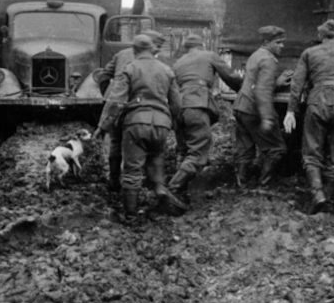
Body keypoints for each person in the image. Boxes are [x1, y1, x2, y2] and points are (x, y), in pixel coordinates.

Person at [93, 35, 185, 220]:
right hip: (161, 123)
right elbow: (177, 104)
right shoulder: (166, 70)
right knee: (155, 159)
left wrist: (103, 127)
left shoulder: (130, 69)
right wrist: (175, 123)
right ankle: (160, 188)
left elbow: (116, 102)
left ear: (134, 50)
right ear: (151, 49)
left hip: (136, 122)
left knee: (132, 169)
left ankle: (131, 215)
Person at [283, 19, 334, 214]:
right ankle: (328, 197)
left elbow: (297, 83)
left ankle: (318, 193)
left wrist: (290, 111)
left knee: (311, 150)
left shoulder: (309, 53)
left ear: (320, 35)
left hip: (316, 101)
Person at [168, 34, 243, 202]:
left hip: (178, 108)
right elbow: (230, 77)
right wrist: (244, 89)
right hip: (197, 105)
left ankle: (182, 193)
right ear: (201, 46)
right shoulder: (209, 55)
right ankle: (172, 189)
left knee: (183, 150)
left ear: (186, 48)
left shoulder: (178, 62)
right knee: (198, 152)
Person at [97, 29, 167, 194]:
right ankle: (144, 182)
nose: (157, 49)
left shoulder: (121, 54)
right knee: (140, 143)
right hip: (135, 105)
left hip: (116, 101)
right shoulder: (153, 61)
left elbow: (103, 76)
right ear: (149, 43)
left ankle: (114, 180)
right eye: (157, 45)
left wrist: (107, 93)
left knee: (116, 142)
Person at [232, 26, 293, 189]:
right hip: (255, 109)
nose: (282, 46)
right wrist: (266, 117)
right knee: (276, 149)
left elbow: (255, 83)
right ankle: (264, 187)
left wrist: (276, 83)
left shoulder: (256, 55)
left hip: (241, 106)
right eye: (278, 42)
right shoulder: (268, 60)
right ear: (267, 42)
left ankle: (242, 186)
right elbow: (262, 90)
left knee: (245, 148)